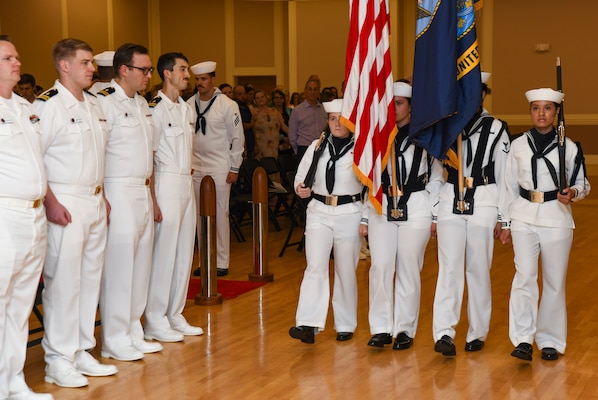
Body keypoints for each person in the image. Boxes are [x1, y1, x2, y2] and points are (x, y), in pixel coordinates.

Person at [34, 38, 118, 389]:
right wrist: (51, 201)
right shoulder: (48, 106)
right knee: (64, 283)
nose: (92, 69)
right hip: (65, 202)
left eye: (91, 63)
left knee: (88, 280)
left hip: (94, 200)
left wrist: (104, 197)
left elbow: (100, 157)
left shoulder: (94, 104)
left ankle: (82, 348)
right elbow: (34, 159)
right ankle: (58, 358)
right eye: (84, 63)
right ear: (64, 66)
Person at [499, 88, 590, 362]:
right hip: (523, 216)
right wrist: (505, 222)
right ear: (530, 112)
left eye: (547, 108)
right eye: (536, 108)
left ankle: (550, 340)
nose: (541, 113)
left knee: (553, 281)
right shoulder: (517, 145)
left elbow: (582, 183)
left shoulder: (570, 147)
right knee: (524, 276)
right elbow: (508, 186)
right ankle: (523, 339)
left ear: (556, 112)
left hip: (556, 219)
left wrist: (572, 193)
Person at [432, 72, 511, 356]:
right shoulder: (446, 125)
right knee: (449, 268)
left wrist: (505, 218)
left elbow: (505, 176)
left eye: (475, 91)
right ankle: (444, 333)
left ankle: (477, 332)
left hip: (484, 200)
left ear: (483, 95)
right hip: (450, 199)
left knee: (477, 269)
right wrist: (433, 212)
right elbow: (436, 171)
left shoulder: (496, 128)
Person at [366, 81, 444, 348]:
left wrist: (434, 214)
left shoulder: (425, 136)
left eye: (399, 103)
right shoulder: (377, 137)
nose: (394, 109)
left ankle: (404, 329)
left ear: (411, 107)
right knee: (380, 266)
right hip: (382, 207)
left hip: (417, 206)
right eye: (390, 104)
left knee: (409, 267)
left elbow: (436, 178)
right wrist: (366, 216)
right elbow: (369, 179)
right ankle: (380, 327)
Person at [96, 43, 162, 361]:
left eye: (150, 69)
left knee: (140, 266)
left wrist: (150, 196)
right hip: (118, 191)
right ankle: (114, 337)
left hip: (142, 190)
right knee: (120, 269)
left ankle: (133, 330)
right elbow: (97, 153)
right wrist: (104, 198)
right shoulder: (104, 103)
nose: (149, 75)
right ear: (124, 70)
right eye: (144, 70)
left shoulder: (141, 104)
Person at [0, 34, 54, 400]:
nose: (17, 63)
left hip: (34, 217)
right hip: (5, 214)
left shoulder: (24, 106)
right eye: (7, 58)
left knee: (20, 304)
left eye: (16, 57)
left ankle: (13, 381)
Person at [289, 99, 366, 344]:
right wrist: (300, 188)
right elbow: (301, 177)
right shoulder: (316, 146)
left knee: (345, 269)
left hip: (349, 212)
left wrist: (365, 219)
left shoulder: (360, 150)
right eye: (332, 119)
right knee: (315, 267)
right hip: (319, 211)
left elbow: (369, 188)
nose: (336, 124)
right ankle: (308, 324)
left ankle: (345, 324)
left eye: (341, 119)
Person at [143, 52, 204, 343]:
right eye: (182, 69)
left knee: (183, 251)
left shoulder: (186, 108)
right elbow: (150, 157)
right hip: (165, 181)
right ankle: (155, 318)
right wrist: (153, 198)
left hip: (185, 181)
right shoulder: (155, 108)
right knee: (164, 253)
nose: (187, 75)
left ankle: (175, 313)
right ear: (167, 73)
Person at [188, 61, 244, 277]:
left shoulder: (227, 105)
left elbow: (237, 138)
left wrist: (235, 167)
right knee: (201, 215)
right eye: (197, 80)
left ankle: (221, 261)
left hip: (220, 166)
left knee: (220, 213)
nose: (200, 83)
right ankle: (205, 259)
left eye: (204, 79)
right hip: (196, 166)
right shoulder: (188, 104)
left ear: (212, 79)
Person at [288, 77, 327, 162]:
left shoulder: (323, 110)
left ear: (318, 91)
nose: (312, 92)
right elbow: (292, 134)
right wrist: (297, 151)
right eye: (310, 89)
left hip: (321, 148)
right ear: (305, 91)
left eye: (315, 89)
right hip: (304, 148)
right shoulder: (297, 111)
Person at [253, 89, 287, 159]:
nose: (260, 99)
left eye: (262, 97)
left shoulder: (275, 111)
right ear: (255, 101)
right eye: (257, 98)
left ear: (266, 98)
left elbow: (284, 127)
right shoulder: (253, 113)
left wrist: (294, 136)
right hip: (260, 147)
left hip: (274, 147)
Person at [232, 84, 255, 158]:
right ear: (234, 95)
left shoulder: (247, 107)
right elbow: (238, 125)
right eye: (239, 94)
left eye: (244, 93)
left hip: (249, 142)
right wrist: (251, 125)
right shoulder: (234, 108)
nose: (243, 96)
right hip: (239, 144)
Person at [271, 89, 292, 154]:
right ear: (273, 100)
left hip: (289, 140)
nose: (279, 100)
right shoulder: (271, 112)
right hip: (276, 141)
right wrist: (282, 138)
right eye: (276, 98)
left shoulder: (289, 110)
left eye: (281, 98)